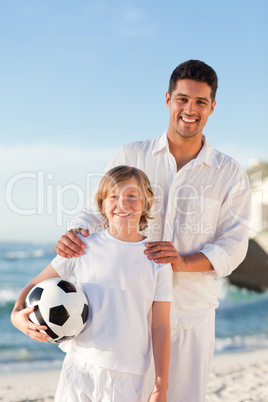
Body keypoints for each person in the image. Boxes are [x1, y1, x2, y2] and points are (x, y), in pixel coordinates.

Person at [55, 60, 251, 401]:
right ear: (168, 99)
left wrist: (183, 262)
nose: (190, 110)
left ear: (212, 107)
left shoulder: (230, 173)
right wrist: (75, 234)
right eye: (182, 99)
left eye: (200, 102)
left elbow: (235, 244)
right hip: (124, 320)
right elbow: (96, 209)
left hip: (191, 318)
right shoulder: (132, 153)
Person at [11, 165, 173, 402]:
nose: (122, 204)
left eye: (132, 196)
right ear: (102, 204)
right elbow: (36, 283)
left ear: (146, 202)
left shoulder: (157, 259)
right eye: (114, 196)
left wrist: (161, 386)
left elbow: (160, 327)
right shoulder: (83, 247)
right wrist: (16, 314)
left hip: (126, 373)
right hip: (79, 365)